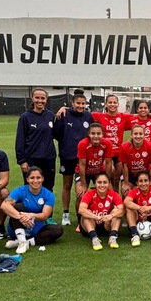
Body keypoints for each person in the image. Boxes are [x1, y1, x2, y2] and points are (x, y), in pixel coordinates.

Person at [0, 167, 63, 255]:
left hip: (36, 229)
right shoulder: (20, 191)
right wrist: (21, 216)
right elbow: (4, 205)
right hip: (17, 227)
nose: (35, 181)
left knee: (58, 230)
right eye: (32, 178)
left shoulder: (49, 195)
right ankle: (21, 242)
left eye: (38, 177)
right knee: (18, 206)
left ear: (43, 178)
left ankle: (26, 243)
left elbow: (45, 215)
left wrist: (30, 215)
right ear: (27, 179)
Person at [53, 89, 93, 226]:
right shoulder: (64, 114)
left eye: (83, 103)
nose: (81, 106)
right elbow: (57, 134)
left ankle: (83, 214)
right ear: (72, 103)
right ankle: (65, 214)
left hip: (84, 158)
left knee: (82, 187)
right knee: (67, 185)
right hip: (68, 156)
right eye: (78, 103)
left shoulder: (88, 116)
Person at [15, 87, 56, 190]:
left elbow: (56, 134)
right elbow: (20, 140)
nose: (40, 101)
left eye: (43, 98)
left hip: (48, 159)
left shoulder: (50, 115)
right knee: (31, 187)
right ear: (32, 98)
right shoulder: (25, 117)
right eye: (37, 98)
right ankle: (30, 206)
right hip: (31, 159)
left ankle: (47, 207)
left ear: (46, 99)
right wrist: (22, 161)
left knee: (48, 187)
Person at [91, 94, 133, 191]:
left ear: (118, 104)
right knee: (107, 177)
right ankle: (106, 200)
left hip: (118, 153)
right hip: (105, 153)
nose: (112, 104)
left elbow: (140, 116)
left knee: (116, 179)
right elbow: (81, 112)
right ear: (105, 104)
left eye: (114, 102)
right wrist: (65, 108)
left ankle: (116, 201)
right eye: (110, 102)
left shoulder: (123, 117)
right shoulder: (99, 116)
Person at [75, 123, 114, 215]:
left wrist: (107, 181)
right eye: (93, 133)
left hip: (99, 171)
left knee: (109, 193)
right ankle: (80, 220)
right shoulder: (83, 144)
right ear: (89, 134)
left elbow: (108, 163)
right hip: (84, 172)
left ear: (102, 134)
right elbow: (82, 165)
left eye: (98, 133)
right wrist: (84, 184)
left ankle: (106, 217)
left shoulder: (107, 143)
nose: (96, 136)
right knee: (80, 195)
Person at [78, 172, 124, 250]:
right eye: (99, 182)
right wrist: (96, 217)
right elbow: (81, 210)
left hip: (106, 225)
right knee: (87, 212)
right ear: (95, 184)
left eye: (105, 182)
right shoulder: (89, 194)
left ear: (109, 184)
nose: (102, 185)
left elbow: (122, 210)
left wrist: (111, 215)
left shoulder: (114, 194)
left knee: (117, 212)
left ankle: (113, 237)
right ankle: (94, 238)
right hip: (90, 225)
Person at [124, 171, 151, 246]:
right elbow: (126, 201)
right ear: (137, 183)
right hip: (138, 218)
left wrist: (149, 207)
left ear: (149, 182)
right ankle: (134, 235)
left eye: (146, 180)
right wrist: (140, 208)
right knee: (129, 209)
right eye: (141, 181)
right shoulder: (134, 191)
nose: (143, 183)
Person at [118, 125, 151, 194]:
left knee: (149, 192)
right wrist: (126, 183)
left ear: (144, 135)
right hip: (130, 174)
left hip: (145, 174)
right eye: (135, 134)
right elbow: (125, 166)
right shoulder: (125, 147)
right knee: (126, 192)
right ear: (131, 135)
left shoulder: (150, 146)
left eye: (140, 134)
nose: (138, 136)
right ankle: (125, 204)